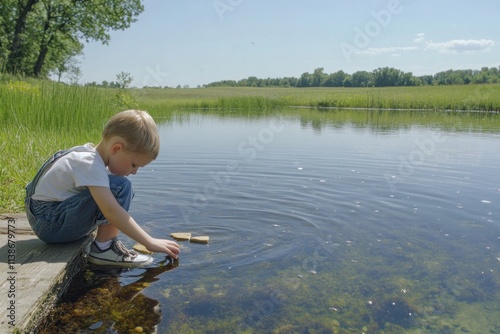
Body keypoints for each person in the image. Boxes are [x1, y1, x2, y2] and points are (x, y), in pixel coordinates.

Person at [24, 110, 180, 267]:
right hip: (51, 225)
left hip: (46, 219)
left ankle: (105, 243)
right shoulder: (89, 163)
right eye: (134, 165)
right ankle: (103, 248)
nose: (134, 172)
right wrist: (149, 241)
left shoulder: (86, 154)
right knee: (120, 186)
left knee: (116, 185)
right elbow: (111, 210)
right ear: (116, 149)